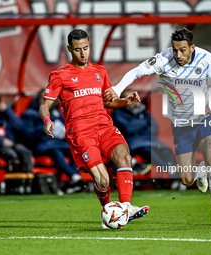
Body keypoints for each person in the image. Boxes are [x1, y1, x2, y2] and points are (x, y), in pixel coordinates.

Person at [104, 28, 211, 226]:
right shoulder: (163, 60)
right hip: (181, 125)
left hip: (205, 118)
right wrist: (118, 89)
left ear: (192, 48)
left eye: (182, 50)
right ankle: (200, 170)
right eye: (175, 50)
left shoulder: (206, 58)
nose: (178, 55)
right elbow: (137, 71)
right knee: (187, 180)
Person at [39, 29, 150, 227]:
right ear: (69, 50)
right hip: (80, 131)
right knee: (103, 180)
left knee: (124, 155)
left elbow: (109, 102)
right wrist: (47, 119)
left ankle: (125, 207)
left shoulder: (100, 71)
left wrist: (126, 101)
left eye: (86, 48)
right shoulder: (60, 75)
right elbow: (44, 104)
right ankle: (107, 211)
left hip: (103, 125)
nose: (83, 54)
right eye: (78, 50)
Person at [21, 89, 83, 193]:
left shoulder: (56, 112)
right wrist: (41, 130)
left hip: (57, 142)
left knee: (75, 150)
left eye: (48, 99)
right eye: (43, 99)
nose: (45, 101)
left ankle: (73, 182)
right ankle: (75, 178)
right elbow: (26, 134)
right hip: (40, 144)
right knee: (56, 152)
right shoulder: (30, 113)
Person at [111, 89, 176, 173]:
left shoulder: (142, 111)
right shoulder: (118, 113)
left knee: (166, 150)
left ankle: (173, 175)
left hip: (149, 139)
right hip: (132, 142)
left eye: (135, 98)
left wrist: (140, 129)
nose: (134, 101)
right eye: (130, 98)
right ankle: (171, 171)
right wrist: (143, 124)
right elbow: (128, 128)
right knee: (149, 151)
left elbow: (154, 127)